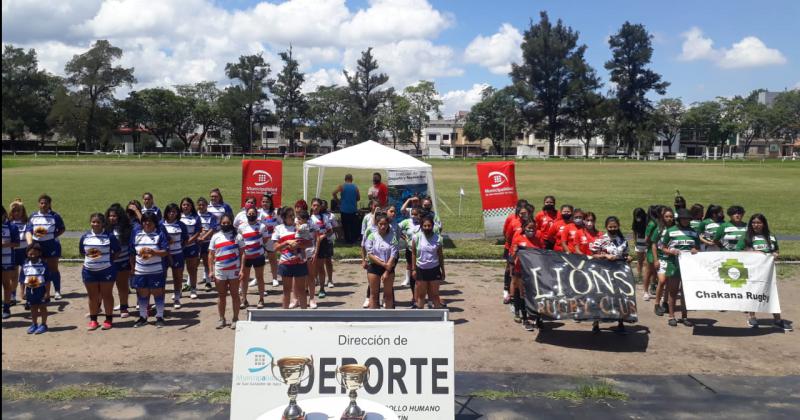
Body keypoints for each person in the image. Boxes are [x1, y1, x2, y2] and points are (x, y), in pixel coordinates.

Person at [736, 213, 792, 331]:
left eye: (759, 223)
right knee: (752, 292)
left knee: (771, 293)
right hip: (752, 271)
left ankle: (777, 319)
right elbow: (738, 251)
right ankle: (752, 317)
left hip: (768, 271)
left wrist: (776, 254)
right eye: (754, 222)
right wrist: (752, 252)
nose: (756, 225)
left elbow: (776, 249)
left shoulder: (771, 236)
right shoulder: (746, 236)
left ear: (764, 224)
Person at [79, 213, 121, 330]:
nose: (95, 224)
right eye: (93, 222)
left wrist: (108, 260)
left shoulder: (110, 236)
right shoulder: (85, 237)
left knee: (106, 295)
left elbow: (117, 251)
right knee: (92, 296)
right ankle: (94, 320)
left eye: (98, 222)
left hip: (106, 270)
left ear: (103, 223)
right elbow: (82, 252)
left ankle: (108, 319)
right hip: (89, 271)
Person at [589, 216, 630, 333]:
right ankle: (596, 323)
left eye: (615, 227)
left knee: (619, 297)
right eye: (610, 227)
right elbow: (593, 255)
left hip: (618, 273)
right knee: (600, 297)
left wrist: (628, 258)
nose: (613, 228)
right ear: (606, 227)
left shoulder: (623, 240)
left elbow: (625, 255)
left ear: (618, 227)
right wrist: (605, 256)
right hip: (603, 273)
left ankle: (620, 322)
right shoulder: (601, 240)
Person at [659, 209, 698, 327]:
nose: (685, 221)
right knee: (673, 291)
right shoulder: (670, 231)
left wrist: (695, 250)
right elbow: (662, 247)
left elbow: (697, 248)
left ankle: (684, 316)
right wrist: (671, 251)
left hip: (689, 266)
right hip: (673, 265)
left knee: (686, 292)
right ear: (679, 219)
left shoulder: (694, 232)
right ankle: (671, 316)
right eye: (683, 219)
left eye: (687, 219)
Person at [130, 212, 170, 328]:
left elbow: (165, 252)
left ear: (154, 223)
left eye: (150, 221)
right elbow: (132, 252)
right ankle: (143, 317)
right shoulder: (136, 234)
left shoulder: (159, 234)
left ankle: (160, 316)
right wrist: (132, 267)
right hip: (140, 271)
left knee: (158, 293)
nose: (147, 223)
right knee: (142, 294)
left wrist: (154, 252)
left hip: (156, 271)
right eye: (145, 221)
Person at [25, 194, 65, 300]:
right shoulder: (33, 216)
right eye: (41, 203)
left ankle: (57, 291)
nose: (43, 205)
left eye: (46, 203)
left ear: (49, 204)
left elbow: (62, 228)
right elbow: (28, 230)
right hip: (38, 246)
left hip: (52, 245)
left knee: (53, 268)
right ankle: (41, 290)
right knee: (39, 268)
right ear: (39, 204)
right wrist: (31, 244)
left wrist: (52, 236)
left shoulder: (55, 216)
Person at [208, 213, 242, 329]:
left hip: (234, 270)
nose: (225, 225)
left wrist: (242, 269)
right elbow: (211, 255)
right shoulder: (215, 236)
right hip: (220, 270)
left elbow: (243, 254)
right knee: (221, 296)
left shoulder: (237, 236)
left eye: (227, 223)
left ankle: (235, 318)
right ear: (220, 224)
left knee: (235, 295)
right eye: (223, 223)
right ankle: (222, 319)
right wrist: (211, 271)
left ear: (231, 223)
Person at [509, 218, 545, 331]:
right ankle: (525, 319)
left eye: (533, 228)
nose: (531, 230)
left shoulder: (538, 239)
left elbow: (542, 254)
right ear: (524, 228)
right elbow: (512, 256)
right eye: (529, 228)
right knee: (523, 295)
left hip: (534, 272)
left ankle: (537, 318)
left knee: (535, 295)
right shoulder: (518, 239)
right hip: (521, 271)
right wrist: (515, 255)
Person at [272, 207, 309, 309]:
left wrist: (298, 245)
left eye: (293, 215)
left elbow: (309, 243)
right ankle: (284, 316)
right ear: (283, 217)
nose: (293, 218)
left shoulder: (300, 227)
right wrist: (286, 242)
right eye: (290, 216)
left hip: (300, 263)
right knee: (286, 291)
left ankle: (305, 316)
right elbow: (275, 247)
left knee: (301, 290)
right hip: (286, 264)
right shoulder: (278, 228)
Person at [411, 214, 445, 310]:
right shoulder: (416, 237)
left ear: (433, 226)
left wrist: (443, 270)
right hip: (421, 269)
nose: (427, 227)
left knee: (435, 295)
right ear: (421, 226)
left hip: (434, 269)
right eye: (425, 226)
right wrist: (413, 269)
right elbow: (413, 253)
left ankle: (438, 317)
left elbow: (440, 256)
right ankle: (420, 317)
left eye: (429, 225)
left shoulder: (438, 239)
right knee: (421, 295)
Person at [364, 213, 398, 309]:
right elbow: (370, 254)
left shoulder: (392, 237)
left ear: (388, 225)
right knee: (374, 294)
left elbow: (394, 254)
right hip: (375, 267)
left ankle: (389, 317)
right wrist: (384, 264)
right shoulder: (371, 236)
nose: (383, 226)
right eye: (380, 224)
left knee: (388, 294)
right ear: (377, 224)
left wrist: (387, 270)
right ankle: (374, 318)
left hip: (389, 266)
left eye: (385, 224)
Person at [237, 205, 268, 309]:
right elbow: (240, 241)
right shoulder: (241, 227)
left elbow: (265, 239)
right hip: (246, 257)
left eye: (253, 214)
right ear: (246, 214)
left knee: (259, 278)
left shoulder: (262, 226)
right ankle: (244, 299)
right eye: (249, 214)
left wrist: (256, 247)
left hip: (258, 256)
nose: (251, 215)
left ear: (257, 214)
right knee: (244, 278)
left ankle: (261, 299)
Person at [106, 205, 133, 318]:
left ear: (120, 217)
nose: (112, 218)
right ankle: (98, 307)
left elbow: (130, 246)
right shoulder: (104, 228)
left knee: (122, 286)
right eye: (110, 216)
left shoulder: (126, 229)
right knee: (105, 288)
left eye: (114, 216)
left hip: (122, 261)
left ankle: (124, 307)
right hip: (107, 263)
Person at [502, 200, 530, 304]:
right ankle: (507, 291)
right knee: (510, 271)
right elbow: (506, 234)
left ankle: (522, 293)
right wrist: (511, 249)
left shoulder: (530, 221)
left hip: (526, 250)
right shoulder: (512, 219)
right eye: (520, 209)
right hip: (511, 248)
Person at [161, 203, 188, 309]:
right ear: (166, 213)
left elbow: (185, 239)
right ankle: (160, 300)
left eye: (174, 212)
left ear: (177, 213)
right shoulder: (161, 224)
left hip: (177, 255)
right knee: (162, 277)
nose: (171, 214)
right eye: (169, 212)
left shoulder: (181, 225)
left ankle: (177, 298)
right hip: (163, 255)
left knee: (177, 277)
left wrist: (180, 248)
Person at [20, 243, 49, 334]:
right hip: (30, 290)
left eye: (34, 254)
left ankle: (43, 324)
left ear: (39, 253)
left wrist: (47, 292)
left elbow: (48, 280)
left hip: (41, 289)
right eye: (30, 254)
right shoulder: (25, 265)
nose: (32, 256)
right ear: (27, 253)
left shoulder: (44, 265)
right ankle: (34, 324)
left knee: (42, 307)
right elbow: (22, 280)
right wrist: (22, 292)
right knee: (33, 308)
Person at [310, 198, 334, 302]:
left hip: (322, 243)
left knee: (320, 266)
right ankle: (311, 287)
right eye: (314, 205)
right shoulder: (308, 218)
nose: (315, 207)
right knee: (311, 266)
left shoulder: (324, 217)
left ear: (320, 207)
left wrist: (323, 236)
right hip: (311, 244)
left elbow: (330, 231)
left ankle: (322, 288)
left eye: (317, 206)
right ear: (311, 206)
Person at [179, 197, 202, 299]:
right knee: (179, 270)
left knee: (192, 269)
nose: (186, 207)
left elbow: (198, 232)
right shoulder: (177, 216)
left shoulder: (196, 217)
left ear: (191, 206)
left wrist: (189, 241)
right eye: (184, 205)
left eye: (188, 205)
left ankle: (193, 289)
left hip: (191, 246)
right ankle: (178, 290)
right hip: (179, 247)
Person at [652, 207, 673, 317]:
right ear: (663, 217)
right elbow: (654, 244)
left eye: (670, 216)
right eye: (666, 216)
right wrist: (655, 259)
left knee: (669, 282)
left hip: (672, 259)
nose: (669, 218)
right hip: (661, 258)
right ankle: (656, 303)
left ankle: (665, 302)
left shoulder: (675, 229)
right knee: (662, 280)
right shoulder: (659, 229)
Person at [296, 209, 319, 309]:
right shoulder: (300, 223)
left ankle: (312, 298)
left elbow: (317, 236)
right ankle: (298, 298)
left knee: (310, 275)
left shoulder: (305, 225)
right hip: (299, 252)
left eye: (299, 218)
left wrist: (315, 252)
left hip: (309, 252)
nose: (297, 220)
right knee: (299, 276)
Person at [196, 197, 219, 292]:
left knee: (206, 262)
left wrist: (203, 237)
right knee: (194, 264)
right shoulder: (194, 215)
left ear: (206, 206)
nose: (201, 207)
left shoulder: (211, 216)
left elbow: (212, 229)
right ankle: (189, 283)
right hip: (195, 243)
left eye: (203, 205)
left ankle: (208, 282)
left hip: (206, 243)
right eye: (199, 205)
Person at [2, 206, 20, 319]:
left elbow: (17, 243)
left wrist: (5, 245)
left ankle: (6, 307)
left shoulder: (12, 227)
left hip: (6, 260)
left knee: (6, 284)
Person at [9, 200, 28, 308]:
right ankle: (12, 295)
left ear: (23, 211)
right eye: (14, 211)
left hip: (24, 251)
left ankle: (23, 294)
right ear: (11, 212)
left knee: (25, 273)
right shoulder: (9, 223)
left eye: (19, 210)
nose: (17, 213)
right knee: (14, 275)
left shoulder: (26, 222)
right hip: (13, 251)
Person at [259, 194, 281, 288]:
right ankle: (258, 278)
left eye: (267, 201)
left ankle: (275, 278)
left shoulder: (275, 212)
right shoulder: (258, 212)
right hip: (260, 239)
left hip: (271, 240)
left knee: (273, 259)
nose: (265, 203)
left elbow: (281, 223)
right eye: (263, 201)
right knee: (260, 260)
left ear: (271, 202)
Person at [642, 205, 663, 301]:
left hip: (662, 250)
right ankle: (646, 291)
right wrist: (654, 241)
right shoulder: (652, 224)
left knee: (659, 272)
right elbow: (646, 239)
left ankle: (658, 290)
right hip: (652, 249)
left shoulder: (664, 223)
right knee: (649, 271)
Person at [333, 174, 361, 244]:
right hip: (353, 209)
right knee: (352, 226)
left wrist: (338, 201)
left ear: (345, 179)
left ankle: (347, 240)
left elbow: (333, 193)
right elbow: (358, 198)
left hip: (344, 209)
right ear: (352, 179)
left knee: (345, 226)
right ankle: (353, 240)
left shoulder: (342, 186)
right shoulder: (355, 187)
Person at [632, 208, 648, 284]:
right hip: (640, 241)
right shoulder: (637, 220)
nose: (638, 218)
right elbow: (634, 231)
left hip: (646, 241)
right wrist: (635, 241)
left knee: (645, 261)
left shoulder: (646, 220)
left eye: (638, 216)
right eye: (636, 216)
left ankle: (644, 276)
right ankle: (640, 276)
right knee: (640, 260)